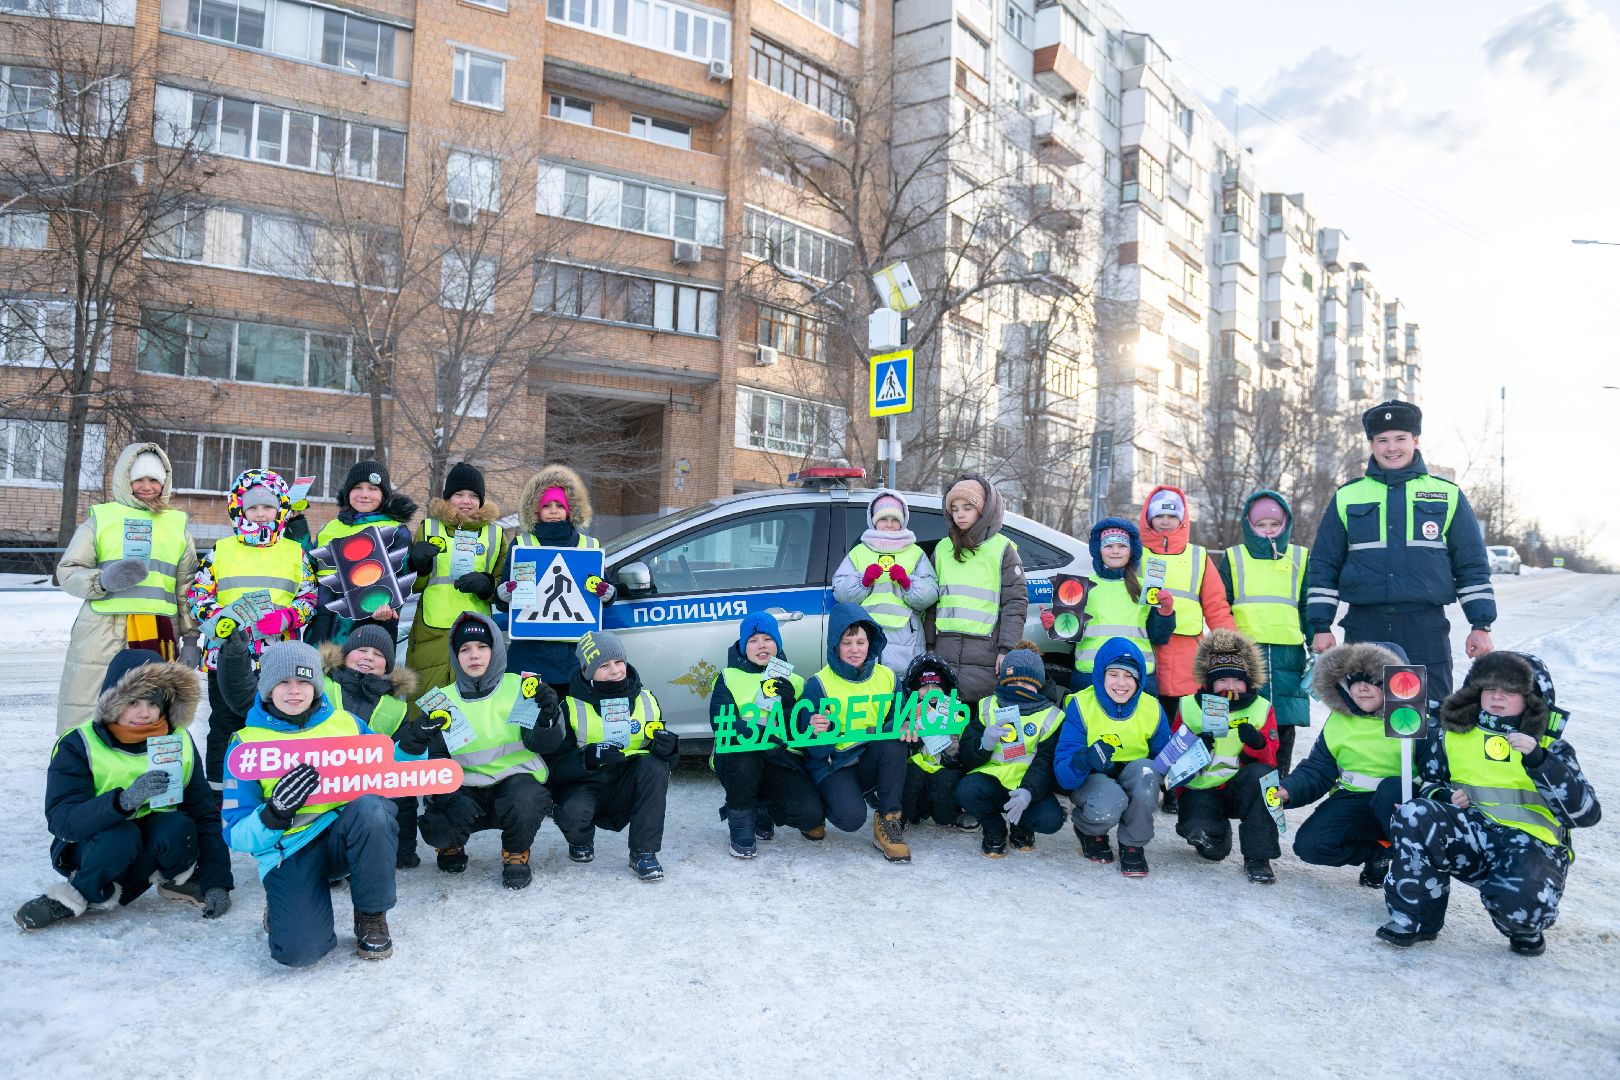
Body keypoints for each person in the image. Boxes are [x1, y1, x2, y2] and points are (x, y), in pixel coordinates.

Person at [222, 641, 435, 966]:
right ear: (267, 687)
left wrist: (412, 744)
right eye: (283, 682)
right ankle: (283, 903)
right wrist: (273, 814)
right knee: (299, 953)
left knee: (372, 809)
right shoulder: (246, 744)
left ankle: (371, 914)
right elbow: (236, 832)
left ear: (316, 685)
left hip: (345, 837)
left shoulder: (346, 724)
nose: (294, 691)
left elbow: (389, 770)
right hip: (289, 850)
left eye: (304, 681)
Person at [1378, 652, 1601, 955]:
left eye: (1510, 690)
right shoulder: (1452, 735)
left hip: (1529, 845)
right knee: (1414, 814)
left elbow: (1587, 813)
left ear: (1531, 698)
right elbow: (1430, 784)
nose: (1497, 697)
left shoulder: (1551, 746)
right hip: (1470, 836)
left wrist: (1539, 760)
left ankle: (1523, 928)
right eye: (1489, 688)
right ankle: (1415, 918)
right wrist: (1442, 797)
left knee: (1518, 904)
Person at [16, 649, 232, 930]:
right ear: (112, 701)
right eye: (133, 702)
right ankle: (79, 894)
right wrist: (123, 801)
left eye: (153, 703)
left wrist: (216, 882)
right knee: (122, 835)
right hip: (94, 845)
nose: (145, 713)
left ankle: (177, 880)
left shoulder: (177, 739)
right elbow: (62, 821)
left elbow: (204, 814)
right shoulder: (79, 743)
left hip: (153, 842)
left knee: (177, 824)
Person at [1307, 400, 1495, 703]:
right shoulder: (1347, 496)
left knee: (1428, 715)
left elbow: (1471, 565)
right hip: (1365, 626)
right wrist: (1320, 625)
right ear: (1371, 444)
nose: (1391, 448)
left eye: (1400, 439)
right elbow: (1325, 566)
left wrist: (1480, 624)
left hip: (1425, 628)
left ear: (1415, 440)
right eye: (1382, 440)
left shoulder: (1447, 495)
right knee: (1365, 716)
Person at [54, 442, 200, 734]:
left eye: (154, 480)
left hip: (158, 629)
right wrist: (102, 581)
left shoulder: (176, 525)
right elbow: (67, 571)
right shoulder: (102, 520)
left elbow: (186, 587)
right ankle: (81, 766)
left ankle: (151, 771)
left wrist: (192, 639)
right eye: (139, 479)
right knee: (88, 703)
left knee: (152, 708)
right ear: (124, 478)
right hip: (103, 628)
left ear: (165, 482)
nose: (147, 486)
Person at [188, 469, 318, 789]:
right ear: (239, 510)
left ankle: (273, 786)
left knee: (277, 720)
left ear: (281, 509)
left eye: (268, 506)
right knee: (224, 722)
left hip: (279, 656)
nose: (260, 514)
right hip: (227, 654)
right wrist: (227, 621)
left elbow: (310, 598)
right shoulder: (221, 550)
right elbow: (198, 597)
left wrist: (287, 617)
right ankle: (219, 791)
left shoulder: (293, 551)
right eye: (253, 507)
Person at [417, 614, 564, 889]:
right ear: (455, 655)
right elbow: (434, 760)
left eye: (482, 647)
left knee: (527, 799)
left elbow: (544, 745)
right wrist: (448, 798)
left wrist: (548, 718)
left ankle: (516, 852)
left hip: (514, 784)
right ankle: (450, 846)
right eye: (465, 649)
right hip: (464, 791)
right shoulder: (441, 700)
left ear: (495, 649)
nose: (474, 655)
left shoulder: (520, 688)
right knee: (436, 821)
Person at [545, 631, 678, 881]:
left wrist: (669, 747)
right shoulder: (570, 707)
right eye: (603, 666)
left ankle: (643, 852)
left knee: (656, 768)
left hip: (629, 780)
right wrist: (588, 758)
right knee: (573, 814)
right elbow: (555, 768)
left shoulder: (647, 699)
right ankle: (581, 840)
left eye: (619, 662)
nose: (615, 670)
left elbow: (661, 751)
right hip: (586, 785)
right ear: (586, 670)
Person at [1277, 641, 1408, 887]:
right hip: (1354, 799)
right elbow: (1318, 769)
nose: (1362, 688)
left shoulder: (1413, 720)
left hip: (1399, 804)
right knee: (1310, 845)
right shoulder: (1339, 720)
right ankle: (1378, 852)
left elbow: (1439, 769)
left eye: (1372, 679)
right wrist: (1289, 789)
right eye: (1355, 680)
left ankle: (1409, 867)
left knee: (1393, 790)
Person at [1139, 486, 1235, 812]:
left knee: (1185, 727)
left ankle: (1176, 789)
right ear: (1148, 518)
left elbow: (1217, 607)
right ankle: (1147, 782)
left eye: (1172, 515)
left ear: (1182, 519)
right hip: (1147, 649)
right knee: (1149, 723)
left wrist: (1229, 652)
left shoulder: (1198, 557)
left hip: (1187, 656)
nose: (1165, 522)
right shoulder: (1135, 554)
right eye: (1159, 515)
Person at [707, 612, 826, 858]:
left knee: (810, 814)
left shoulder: (795, 680)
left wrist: (790, 704)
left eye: (768, 639)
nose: (761, 645)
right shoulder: (728, 677)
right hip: (738, 755)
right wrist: (763, 736)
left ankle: (762, 809)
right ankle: (741, 821)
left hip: (779, 757)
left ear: (778, 643)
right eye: (753, 640)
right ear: (743, 646)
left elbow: (801, 732)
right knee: (745, 757)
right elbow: (722, 725)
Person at [1173, 629, 1283, 884]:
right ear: (1210, 683)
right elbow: (1171, 757)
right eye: (1222, 681)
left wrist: (1256, 744)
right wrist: (1193, 744)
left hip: (1240, 786)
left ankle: (1258, 857)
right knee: (1201, 834)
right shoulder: (1189, 705)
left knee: (1264, 778)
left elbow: (1270, 762)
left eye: (1237, 681)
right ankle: (1216, 839)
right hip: (1201, 787)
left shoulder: (1261, 708)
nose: (1230, 687)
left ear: (1249, 682)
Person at [802, 603, 910, 862]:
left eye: (860, 642)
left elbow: (899, 719)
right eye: (846, 642)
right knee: (850, 819)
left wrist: (906, 726)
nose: (854, 650)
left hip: (869, 758)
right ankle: (815, 808)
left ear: (870, 642)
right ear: (835, 646)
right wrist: (819, 731)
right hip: (834, 764)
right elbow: (813, 751)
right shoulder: (818, 684)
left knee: (895, 741)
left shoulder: (888, 677)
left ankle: (888, 822)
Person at [496, 464, 616, 696]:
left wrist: (607, 592)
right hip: (529, 655)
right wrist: (504, 593)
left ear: (570, 509)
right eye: (546, 506)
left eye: (559, 505)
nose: (553, 510)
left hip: (575, 656)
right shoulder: (523, 545)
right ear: (535, 510)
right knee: (528, 722)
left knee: (570, 723)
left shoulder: (589, 546)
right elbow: (502, 598)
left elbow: (606, 593)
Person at [1053, 638, 1169, 876]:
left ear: (1139, 680)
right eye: (1113, 674)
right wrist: (1084, 759)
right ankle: (1089, 830)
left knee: (1148, 774)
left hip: (1133, 773)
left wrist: (1189, 762)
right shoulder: (1081, 705)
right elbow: (1063, 774)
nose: (1121, 683)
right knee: (1111, 801)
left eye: (1129, 675)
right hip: (1094, 780)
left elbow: (1165, 761)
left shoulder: (1152, 707)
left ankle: (1133, 845)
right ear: (1100, 675)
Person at [1216, 491, 1310, 775]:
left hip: (1287, 652)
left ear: (1285, 524)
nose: (1268, 530)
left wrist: (1317, 635)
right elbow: (1221, 603)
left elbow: (1307, 604)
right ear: (1249, 525)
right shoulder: (1234, 557)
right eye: (1262, 525)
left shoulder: (1300, 557)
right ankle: (1243, 778)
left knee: (1284, 718)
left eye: (1274, 524)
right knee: (1244, 714)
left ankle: (1279, 778)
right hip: (1245, 652)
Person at [404, 461, 507, 698]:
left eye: (473, 495)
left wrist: (488, 585)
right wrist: (418, 566)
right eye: (458, 494)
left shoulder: (495, 534)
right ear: (448, 498)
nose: (466, 501)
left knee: (476, 698)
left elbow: (506, 585)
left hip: (477, 631)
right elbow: (413, 586)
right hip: (433, 629)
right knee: (429, 698)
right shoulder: (429, 528)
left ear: (481, 500)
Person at [954, 646, 1068, 858]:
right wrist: (983, 742)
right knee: (965, 791)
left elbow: (1046, 762)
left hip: (1028, 787)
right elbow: (967, 758)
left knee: (1050, 819)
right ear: (1003, 682)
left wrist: (1028, 791)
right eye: (1013, 682)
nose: (1019, 688)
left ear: (1039, 684)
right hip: (992, 781)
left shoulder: (1052, 716)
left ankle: (1022, 829)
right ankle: (994, 828)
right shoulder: (987, 706)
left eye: (1026, 683)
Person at [926, 473, 1027, 705]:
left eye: (968, 507)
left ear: (983, 511)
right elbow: (932, 604)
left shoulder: (1003, 550)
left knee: (979, 723)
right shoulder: (942, 549)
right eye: (955, 508)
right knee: (944, 723)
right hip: (945, 648)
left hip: (986, 652)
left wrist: (1006, 650)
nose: (960, 514)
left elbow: (1015, 604)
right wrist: (930, 647)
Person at [1041, 517, 1175, 691]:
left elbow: (1159, 637)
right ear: (1099, 550)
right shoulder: (1078, 585)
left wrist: (1165, 612)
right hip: (1091, 674)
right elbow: (1071, 637)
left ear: (1131, 551)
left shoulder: (1147, 588)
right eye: (1109, 546)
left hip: (1135, 676)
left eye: (1122, 546)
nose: (1115, 551)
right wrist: (1055, 625)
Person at [301, 460, 417, 646]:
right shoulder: (331, 528)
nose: (364, 494)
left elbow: (402, 579)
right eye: (357, 487)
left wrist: (389, 607)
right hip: (321, 630)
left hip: (367, 630)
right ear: (348, 492)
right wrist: (296, 525)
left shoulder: (395, 531)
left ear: (384, 495)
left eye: (373, 488)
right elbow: (309, 570)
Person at [832, 489, 939, 671]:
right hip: (865, 633)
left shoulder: (915, 552)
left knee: (900, 689)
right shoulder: (860, 551)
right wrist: (862, 582)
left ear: (903, 521)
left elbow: (931, 593)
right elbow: (840, 592)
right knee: (868, 685)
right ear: (873, 521)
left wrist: (908, 583)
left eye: (895, 520)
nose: (889, 525)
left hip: (905, 637)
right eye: (883, 519)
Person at [898, 653, 970, 831]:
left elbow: (965, 744)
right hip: (916, 764)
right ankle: (903, 814)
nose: (930, 691)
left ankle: (951, 815)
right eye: (924, 687)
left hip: (944, 766)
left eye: (936, 686)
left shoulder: (956, 715)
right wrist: (905, 728)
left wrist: (956, 746)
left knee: (945, 797)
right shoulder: (908, 715)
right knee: (910, 781)